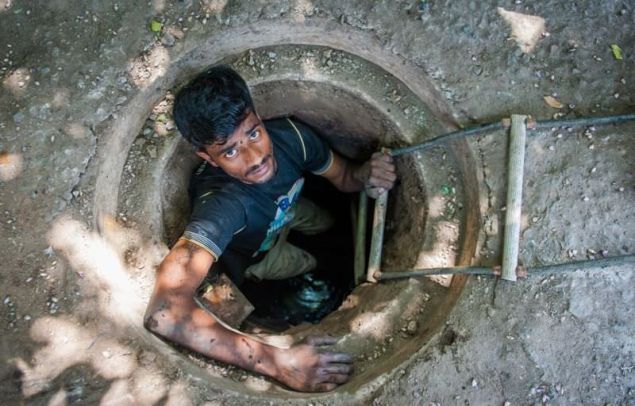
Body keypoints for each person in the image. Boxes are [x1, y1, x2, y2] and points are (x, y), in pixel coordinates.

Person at [144, 66, 397, 392]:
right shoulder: (222, 206)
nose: (256, 157)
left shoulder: (292, 138)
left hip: (288, 210)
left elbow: (347, 178)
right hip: (258, 255)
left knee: (329, 224)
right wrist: (279, 364)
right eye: (230, 151)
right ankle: (303, 267)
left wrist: (368, 174)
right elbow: (164, 313)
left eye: (253, 133)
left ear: (259, 117)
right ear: (207, 157)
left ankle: (321, 241)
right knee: (311, 263)